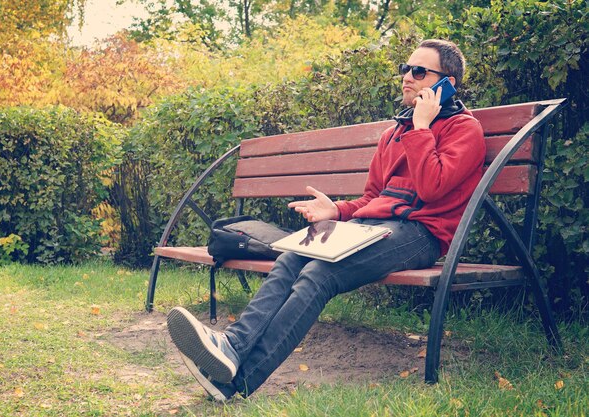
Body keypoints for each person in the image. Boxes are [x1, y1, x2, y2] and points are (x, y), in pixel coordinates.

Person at [166, 39, 486, 401]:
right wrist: (337, 210)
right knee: (292, 258)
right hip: (372, 227)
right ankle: (231, 346)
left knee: (320, 275)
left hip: (420, 233)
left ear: (448, 84)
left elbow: (431, 188)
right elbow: (373, 197)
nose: (406, 78)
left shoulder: (463, 129)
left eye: (418, 72)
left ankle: (236, 382)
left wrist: (422, 127)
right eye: (404, 69)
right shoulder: (394, 133)